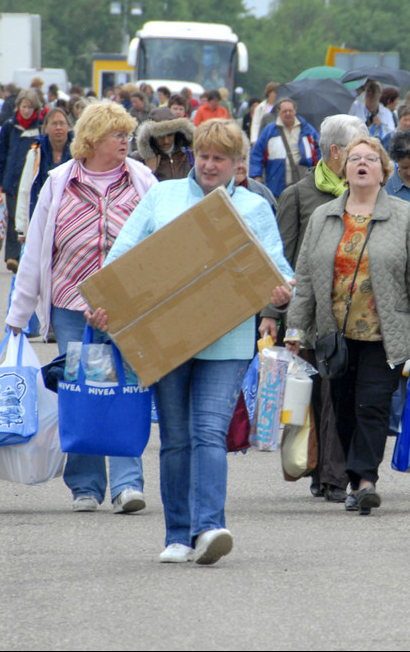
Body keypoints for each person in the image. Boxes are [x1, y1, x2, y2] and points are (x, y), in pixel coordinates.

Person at [91, 119, 295, 564]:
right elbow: (123, 252)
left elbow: (279, 267)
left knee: (208, 432)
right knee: (177, 439)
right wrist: (104, 300)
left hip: (227, 340)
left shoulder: (255, 207)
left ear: (238, 165)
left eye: (219, 158)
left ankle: (209, 528)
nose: (208, 164)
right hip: (166, 340)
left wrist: (281, 291)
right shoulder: (162, 196)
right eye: (203, 155)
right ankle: (177, 535)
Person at [6, 101, 159, 515]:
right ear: (92, 141)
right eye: (118, 134)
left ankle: (128, 484)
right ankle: (86, 486)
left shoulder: (141, 178)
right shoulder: (59, 182)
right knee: (83, 393)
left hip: (129, 306)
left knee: (127, 390)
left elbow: (161, 238)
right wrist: (19, 315)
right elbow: (36, 248)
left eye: (127, 134)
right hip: (73, 305)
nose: (126, 141)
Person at [289, 136, 410, 515]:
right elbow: (306, 276)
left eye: (370, 159)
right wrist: (295, 328)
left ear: (382, 170)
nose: (361, 164)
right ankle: (357, 482)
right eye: (355, 158)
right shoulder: (324, 218)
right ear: (345, 170)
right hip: (334, 333)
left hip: (384, 332)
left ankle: (366, 480)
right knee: (342, 408)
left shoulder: (404, 215)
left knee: (372, 405)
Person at [276, 114, 369, 502]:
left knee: (339, 394)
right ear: (336, 153)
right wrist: (275, 316)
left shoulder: (368, 194)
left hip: (355, 312)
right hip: (312, 316)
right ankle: (318, 469)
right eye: (356, 150)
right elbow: (280, 261)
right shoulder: (298, 195)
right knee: (317, 397)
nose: (365, 157)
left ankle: (333, 477)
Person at [0, 88, 45, 273]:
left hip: (32, 182)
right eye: (24, 106)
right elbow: (0, 153)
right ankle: (12, 257)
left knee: (30, 219)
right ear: (18, 107)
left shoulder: (40, 128)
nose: (27, 110)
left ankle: (27, 256)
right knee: (14, 219)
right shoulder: (9, 127)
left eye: (30, 107)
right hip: (12, 182)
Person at [15, 105, 74, 239]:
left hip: (69, 218)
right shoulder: (35, 154)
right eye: (54, 124)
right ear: (46, 127)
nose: (58, 127)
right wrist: (22, 228)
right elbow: (25, 189)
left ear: (68, 127)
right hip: (41, 215)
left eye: (62, 123)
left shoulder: (78, 153)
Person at [249, 98, 321, 198]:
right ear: (278, 112)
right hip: (277, 189)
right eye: (284, 111)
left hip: (305, 188)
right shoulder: (269, 131)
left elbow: (320, 150)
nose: (288, 113)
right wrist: (256, 176)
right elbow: (257, 154)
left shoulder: (307, 129)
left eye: (290, 111)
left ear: (295, 111)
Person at [134, 106, 194, 182]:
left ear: (176, 133)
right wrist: (150, 171)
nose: (166, 141)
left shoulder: (189, 156)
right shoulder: (139, 159)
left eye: (170, 135)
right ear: (152, 137)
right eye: (160, 136)